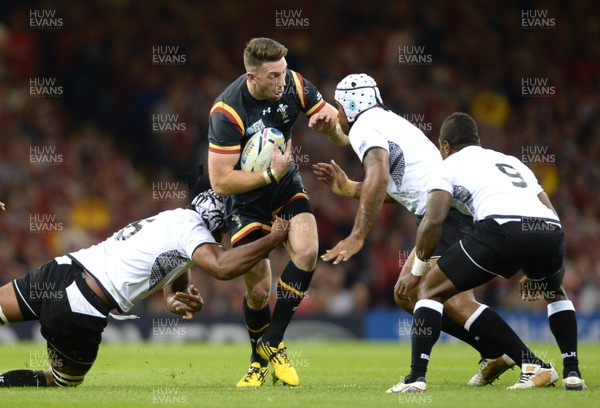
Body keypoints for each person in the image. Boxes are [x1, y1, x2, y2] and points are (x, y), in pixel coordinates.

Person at [313, 73, 531, 388]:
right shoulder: (387, 122)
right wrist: (348, 188)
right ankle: (493, 351)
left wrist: (358, 235)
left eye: (339, 105)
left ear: (351, 103)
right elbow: (400, 188)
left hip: (445, 214)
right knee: (407, 293)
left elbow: (378, 177)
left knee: (449, 298)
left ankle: (531, 363)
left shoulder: (364, 127)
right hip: (444, 211)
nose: (339, 113)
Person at [0, 189, 290, 387]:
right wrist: (272, 239)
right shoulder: (194, 232)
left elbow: (171, 274)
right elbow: (222, 267)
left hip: (62, 270)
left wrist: (175, 299)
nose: (229, 234)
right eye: (228, 227)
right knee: (60, 382)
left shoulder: (174, 217)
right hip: (81, 304)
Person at [394, 112, 586, 392]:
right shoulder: (511, 161)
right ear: (478, 141)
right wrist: (541, 266)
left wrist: (418, 269)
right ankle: (572, 373)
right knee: (554, 292)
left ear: (445, 146)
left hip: (501, 228)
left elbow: (433, 220)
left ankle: (416, 378)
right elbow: (549, 210)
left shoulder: (446, 165)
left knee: (430, 289)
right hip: (548, 228)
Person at [207, 37, 345, 388]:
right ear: (252, 78)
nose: (282, 82)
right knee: (257, 290)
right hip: (246, 198)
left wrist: (331, 129)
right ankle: (261, 359)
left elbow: (338, 133)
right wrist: (268, 174)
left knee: (308, 250)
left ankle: (268, 346)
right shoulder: (227, 112)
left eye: (284, 72)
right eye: (273, 76)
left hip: (284, 185)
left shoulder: (294, 84)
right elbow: (221, 182)